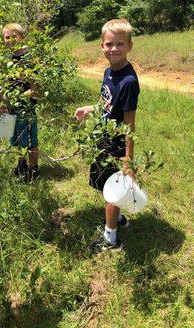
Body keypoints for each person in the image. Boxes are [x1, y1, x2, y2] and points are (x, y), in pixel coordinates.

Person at [75, 19, 140, 253]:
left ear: (130, 46)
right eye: (109, 44)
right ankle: (119, 218)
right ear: (102, 46)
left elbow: (129, 124)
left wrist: (128, 160)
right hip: (104, 138)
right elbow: (107, 105)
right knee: (104, 184)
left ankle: (110, 238)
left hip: (117, 143)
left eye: (120, 44)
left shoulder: (129, 81)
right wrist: (89, 109)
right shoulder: (108, 72)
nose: (114, 49)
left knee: (112, 189)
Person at [1, 23, 39, 182]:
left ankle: (33, 169)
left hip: (26, 108)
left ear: (21, 37)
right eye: (6, 37)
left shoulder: (29, 58)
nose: (9, 40)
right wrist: (3, 100)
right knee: (15, 138)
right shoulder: (7, 58)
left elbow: (35, 89)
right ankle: (21, 163)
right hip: (11, 107)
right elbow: (5, 82)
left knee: (29, 140)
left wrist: (17, 98)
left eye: (13, 36)